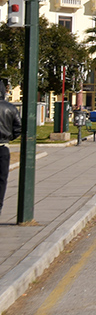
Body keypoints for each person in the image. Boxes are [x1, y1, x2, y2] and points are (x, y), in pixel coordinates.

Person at [0, 80, 22, 217]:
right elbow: (18, 128)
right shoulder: (11, 108)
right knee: (1, 180)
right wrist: (8, 137)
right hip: (3, 147)